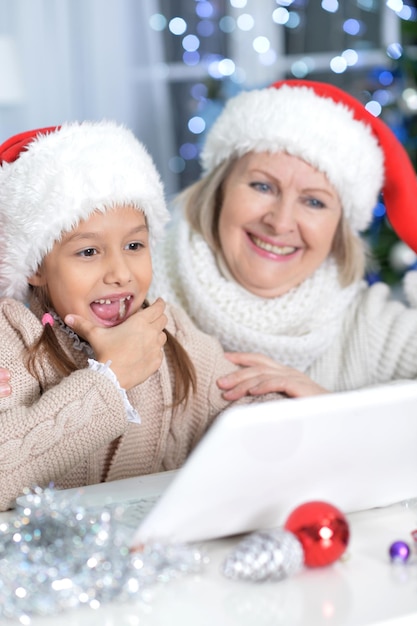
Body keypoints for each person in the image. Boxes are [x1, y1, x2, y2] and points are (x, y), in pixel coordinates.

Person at [0, 121, 278, 512]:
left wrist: (277, 406)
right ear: (35, 267)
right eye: (89, 252)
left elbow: (235, 403)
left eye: (134, 245)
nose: (120, 273)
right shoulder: (11, 341)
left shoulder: (167, 329)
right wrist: (108, 382)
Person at [150, 79, 417, 399]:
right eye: (262, 186)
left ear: (339, 231)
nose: (280, 223)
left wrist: (330, 410)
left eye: (314, 202)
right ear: (219, 189)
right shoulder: (134, 287)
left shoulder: (373, 327)